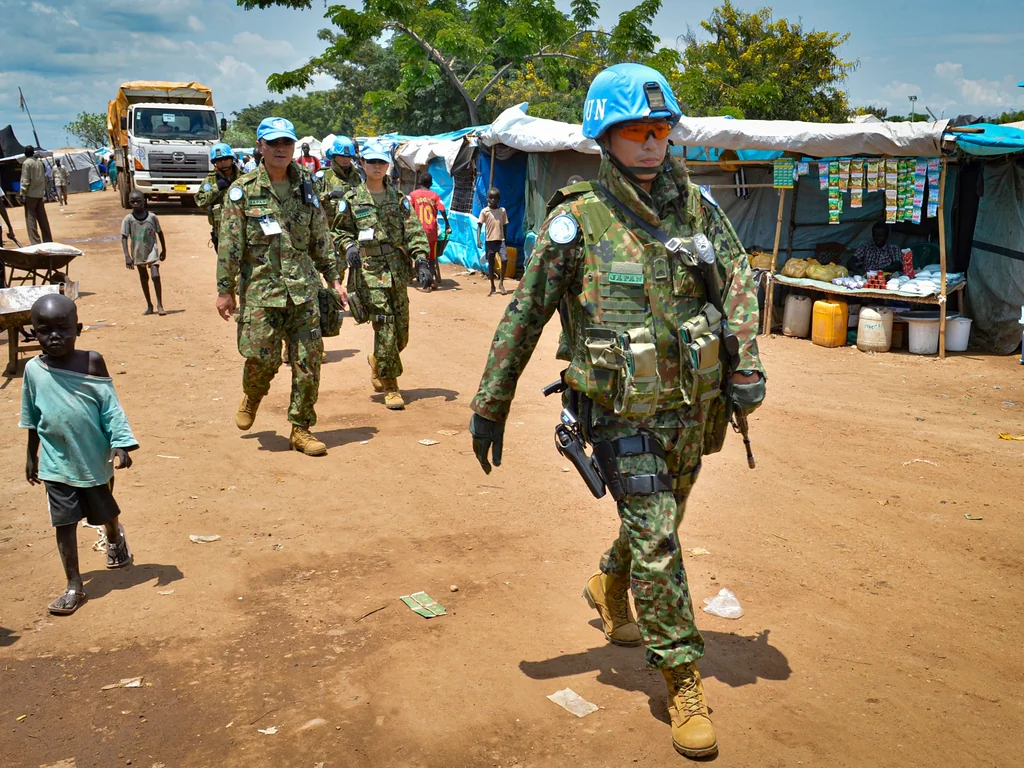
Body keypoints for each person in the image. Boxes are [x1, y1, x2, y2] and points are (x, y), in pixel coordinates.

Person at [467, 63, 766, 759]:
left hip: (692, 405)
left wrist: (746, 364)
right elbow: (528, 310)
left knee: (660, 521)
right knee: (660, 538)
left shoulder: (699, 211)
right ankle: (682, 677)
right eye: (637, 130)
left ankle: (608, 583)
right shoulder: (577, 221)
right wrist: (492, 400)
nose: (652, 142)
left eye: (660, 129)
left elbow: (738, 286)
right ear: (605, 136)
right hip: (619, 410)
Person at [216, 116, 346, 456]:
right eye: (273, 143)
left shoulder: (307, 186)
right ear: (260, 146)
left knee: (309, 361)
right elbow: (229, 245)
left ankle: (301, 428)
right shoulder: (242, 191)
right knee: (262, 360)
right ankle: (253, 394)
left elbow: (321, 235)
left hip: (303, 290)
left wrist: (333, 278)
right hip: (261, 292)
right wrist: (224, 289)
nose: (280, 149)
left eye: (286, 143)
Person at [20, 294, 138, 616]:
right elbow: (33, 416)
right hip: (55, 463)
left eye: (63, 329)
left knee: (104, 513)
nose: (54, 336)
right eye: (44, 330)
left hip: (93, 459)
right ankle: (74, 585)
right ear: (33, 332)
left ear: (79, 329)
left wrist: (121, 443)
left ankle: (114, 535)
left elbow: (110, 408)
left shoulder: (91, 363)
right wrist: (32, 456)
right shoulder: (33, 370)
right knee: (65, 522)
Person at [333, 140, 429, 411]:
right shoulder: (351, 200)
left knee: (401, 334)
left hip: (397, 270)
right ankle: (391, 385)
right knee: (385, 325)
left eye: (382, 162)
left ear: (388, 166)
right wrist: (349, 245)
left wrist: (421, 258)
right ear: (362, 164)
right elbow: (339, 232)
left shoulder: (399, 199)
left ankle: (378, 359)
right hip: (369, 272)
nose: (377, 167)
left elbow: (413, 231)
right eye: (372, 162)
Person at [121, 190, 167, 315]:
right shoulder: (128, 219)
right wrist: (127, 256)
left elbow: (160, 233)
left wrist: (164, 250)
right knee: (144, 278)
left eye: (138, 201)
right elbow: (124, 237)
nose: (136, 204)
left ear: (144, 201)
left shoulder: (152, 217)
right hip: (138, 252)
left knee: (155, 276)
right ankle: (149, 305)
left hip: (152, 250)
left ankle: (160, 304)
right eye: (132, 202)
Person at [408, 172, 451, 290]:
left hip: (417, 231)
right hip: (431, 231)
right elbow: (442, 210)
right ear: (431, 184)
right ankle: (429, 281)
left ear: (419, 182)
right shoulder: (435, 196)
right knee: (431, 258)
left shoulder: (413, 195)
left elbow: (407, 209)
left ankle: (419, 278)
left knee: (417, 254)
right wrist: (447, 225)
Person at [195, 142, 239, 251]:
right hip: (221, 232)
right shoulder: (210, 180)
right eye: (219, 160)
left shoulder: (244, 178)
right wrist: (216, 188)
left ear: (232, 158)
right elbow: (201, 202)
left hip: (242, 230)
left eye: (225, 158)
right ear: (215, 162)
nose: (223, 162)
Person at [315, 136, 362, 231]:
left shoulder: (356, 177)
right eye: (342, 156)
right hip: (329, 231)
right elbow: (313, 203)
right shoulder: (323, 176)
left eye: (348, 156)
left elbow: (363, 204)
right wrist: (328, 195)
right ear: (334, 155)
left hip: (352, 232)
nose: (346, 159)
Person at [476, 187, 508, 296]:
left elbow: (505, 225)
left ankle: (501, 283)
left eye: (495, 198)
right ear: (487, 199)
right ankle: (492, 285)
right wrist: (478, 239)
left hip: (500, 241)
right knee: (491, 264)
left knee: (504, 259)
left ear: (499, 199)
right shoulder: (484, 211)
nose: (493, 200)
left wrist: (505, 238)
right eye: (491, 198)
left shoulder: (502, 211)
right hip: (489, 241)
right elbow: (479, 225)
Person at [19, 146, 53, 244]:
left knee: (30, 219)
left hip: (30, 194)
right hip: (39, 194)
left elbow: (25, 180)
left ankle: (35, 241)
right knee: (43, 218)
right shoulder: (39, 162)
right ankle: (48, 240)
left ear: (25, 153)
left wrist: (23, 193)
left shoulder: (26, 163)